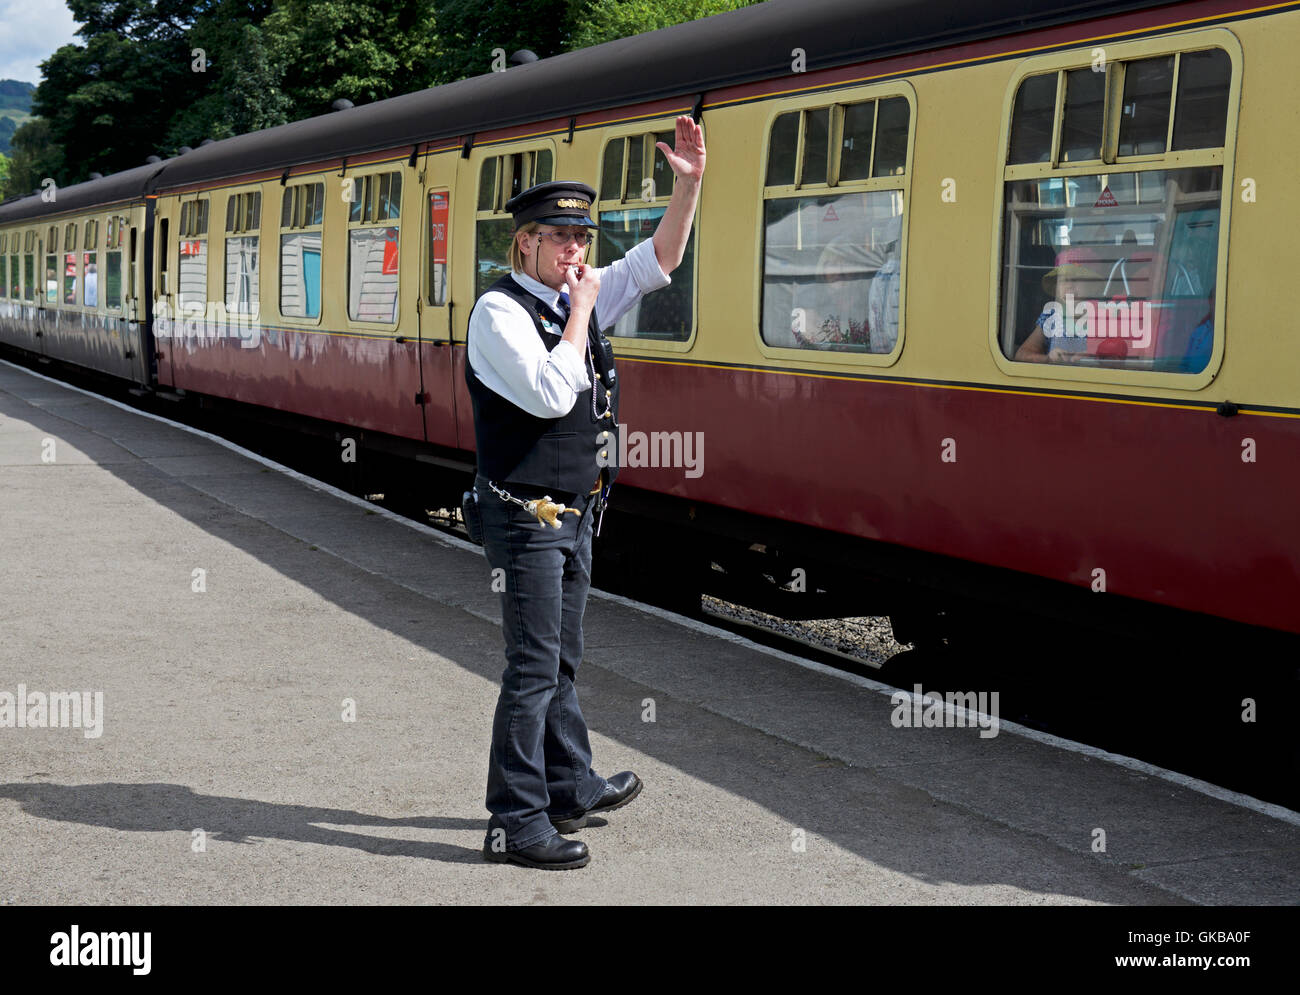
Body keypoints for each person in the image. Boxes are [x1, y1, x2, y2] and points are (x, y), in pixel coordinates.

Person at [466, 115, 705, 870]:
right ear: (525, 243)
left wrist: (688, 188)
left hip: (575, 512)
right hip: (525, 515)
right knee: (532, 666)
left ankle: (569, 782)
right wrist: (578, 313)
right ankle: (515, 820)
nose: (576, 252)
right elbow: (545, 392)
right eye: (559, 238)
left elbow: (658, 260)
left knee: (561, 657)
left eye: (583, 240)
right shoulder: (500, 312)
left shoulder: (576, 300)